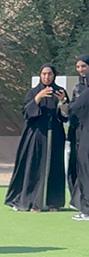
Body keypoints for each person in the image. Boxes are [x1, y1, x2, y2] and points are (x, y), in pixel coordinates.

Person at [5, 63, 69, 212]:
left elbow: (65, 116)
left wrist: (62, 102)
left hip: (55, 136)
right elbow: (27, 113)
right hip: (36, 136)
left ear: (54, 75)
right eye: (44, 74)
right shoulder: (33, 92)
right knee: (35, 167)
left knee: (54, 167)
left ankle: (53, 202)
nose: (46, 77)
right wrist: (38, 98)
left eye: (50, 74)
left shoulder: (60, 91)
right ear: (40, 75)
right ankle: (33, 202)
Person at [68, 55, 89, 221]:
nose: (81, 70)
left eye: (84, 66)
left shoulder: (85, 92)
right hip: (80, 134)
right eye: (78, 67)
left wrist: (63, 104)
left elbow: (72, 110)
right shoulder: (78, 88)